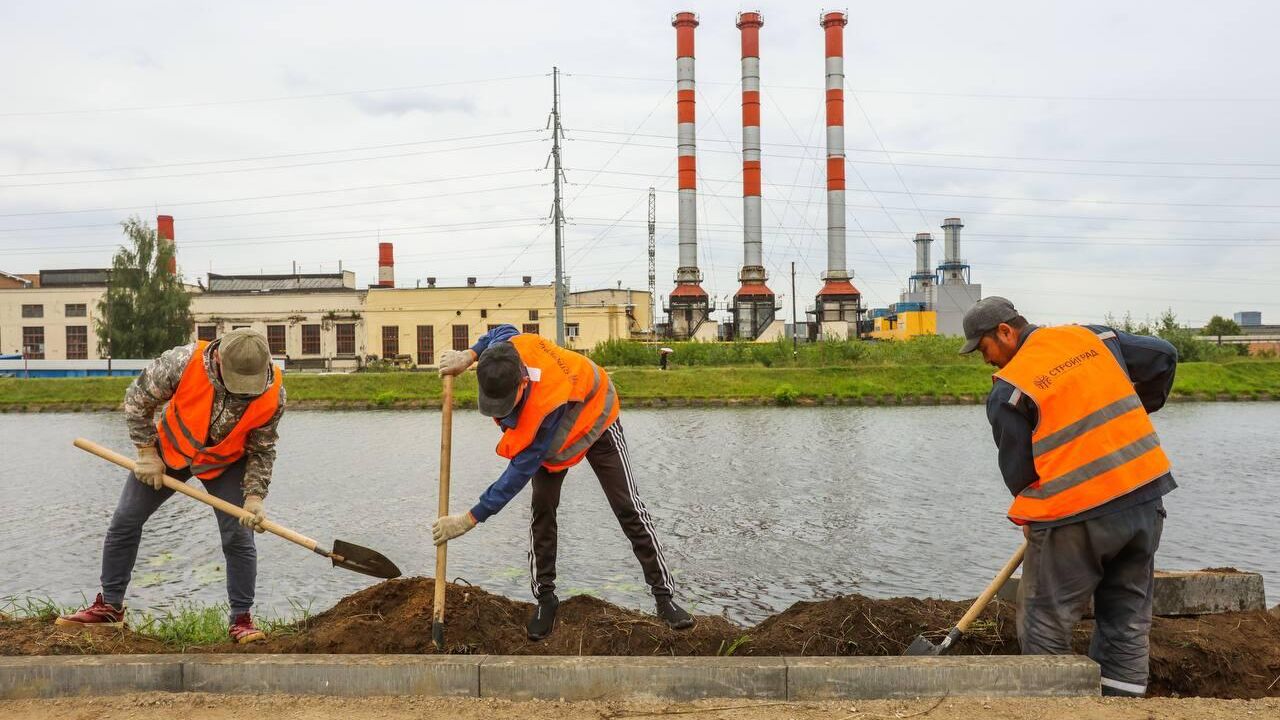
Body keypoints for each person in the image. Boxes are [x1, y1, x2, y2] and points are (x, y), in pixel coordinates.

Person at [960, 297, 1177, 698]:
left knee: (1045, 620)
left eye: (983, 347)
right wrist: (1139, 407)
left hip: (1074, 517)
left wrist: (1033, 523)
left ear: (1005, 332)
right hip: (1144, 499)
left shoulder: (1011, 389)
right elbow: (1164, 356)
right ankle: (1121, 706)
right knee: (1127, 619)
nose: (984, 359)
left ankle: (1052, 706)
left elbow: (1020, 474)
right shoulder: (1093, 338)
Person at [433, 324, 695, 640]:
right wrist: (469, 354)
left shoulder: (546, 404)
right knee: (542, 509)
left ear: (523, 382)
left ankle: (664, 597)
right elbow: (500, 330)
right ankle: (546, 599)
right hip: (553, 435)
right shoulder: (505, 350)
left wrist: (470, 518)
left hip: (596, 418)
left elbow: (516, 475)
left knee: (627, 506)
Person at [57, 329, 286, 644]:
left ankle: (241, 620)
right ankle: (110, 608)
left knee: (238, 536)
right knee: (126, 520)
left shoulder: (273, 392)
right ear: (218, 359)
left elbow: (262, 449)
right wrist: (147, 452)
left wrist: (255, 497)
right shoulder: (183, 361)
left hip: (224, 462)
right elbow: (137, 400)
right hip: (169, 453)